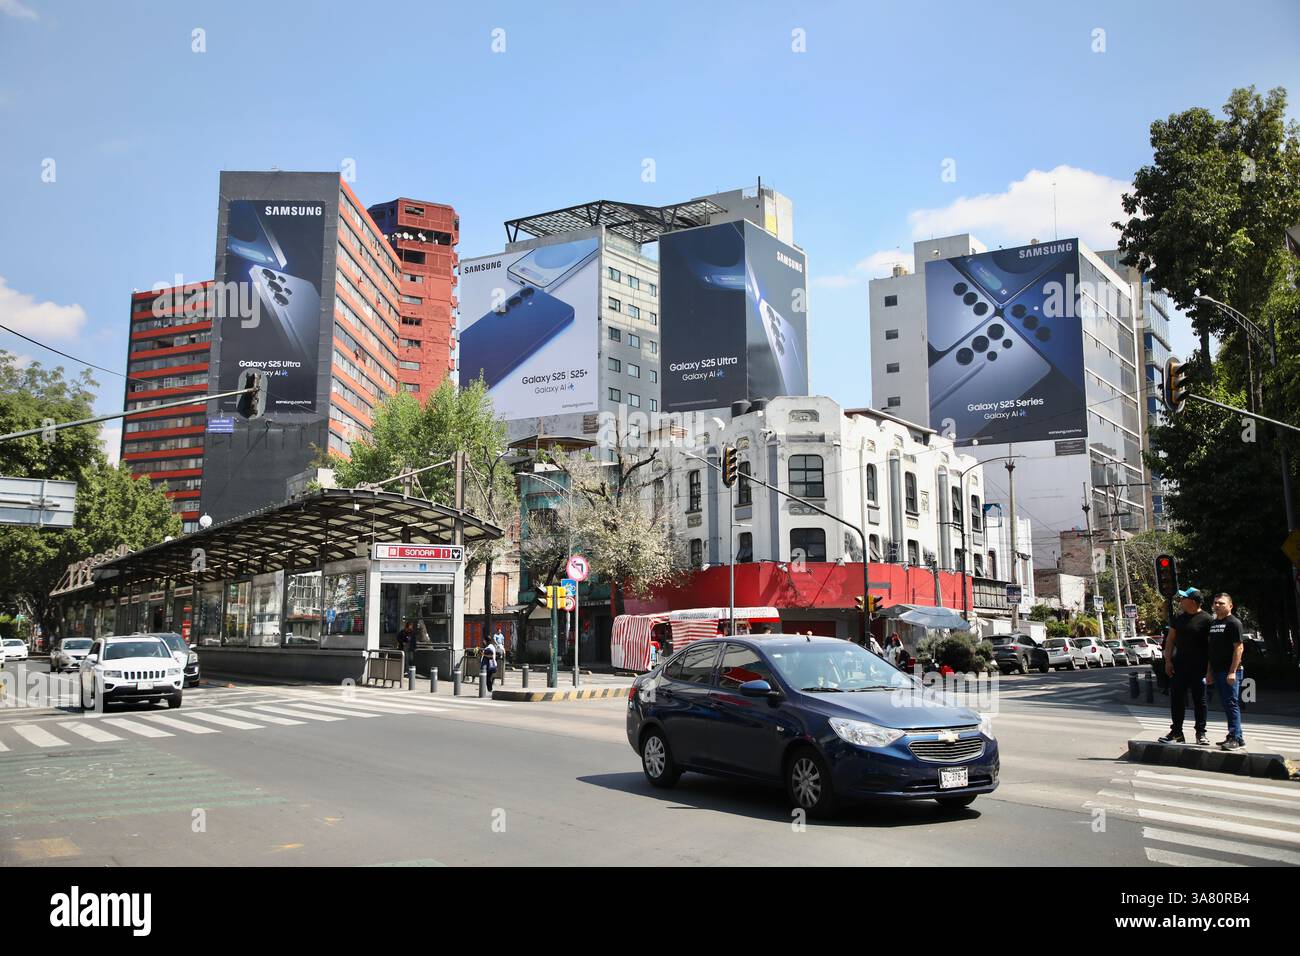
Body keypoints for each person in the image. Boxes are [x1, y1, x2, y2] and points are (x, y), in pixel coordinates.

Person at [1159, 587, 1212, 745]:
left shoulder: (1207, 619)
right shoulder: (1179, 619)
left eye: (1183, 598)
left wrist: (1210, 670)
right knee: (1176, 698)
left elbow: (1211, 647)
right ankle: (1176, 732)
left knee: (1199, 700)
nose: (1180, 601)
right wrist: (1168, 661)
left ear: (1193, 601)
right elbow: (1170, 640)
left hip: (1199, 666)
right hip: (1180, 665)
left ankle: (1201, 733)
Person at [1207, 593, 1246, 751]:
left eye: (1221, 603)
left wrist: (1232, 671)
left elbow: (1239, 648)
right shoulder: (1214, 623)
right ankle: (1235, 736)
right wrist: (1209, 671)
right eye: (1215, 603)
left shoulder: (1234, 623)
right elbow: (1211, 649)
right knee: (1226, 704)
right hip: (1217, 670)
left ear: (1230, 605)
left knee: (1231, 704)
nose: (1217, 606)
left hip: (1229, 671)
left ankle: (1235, 738)